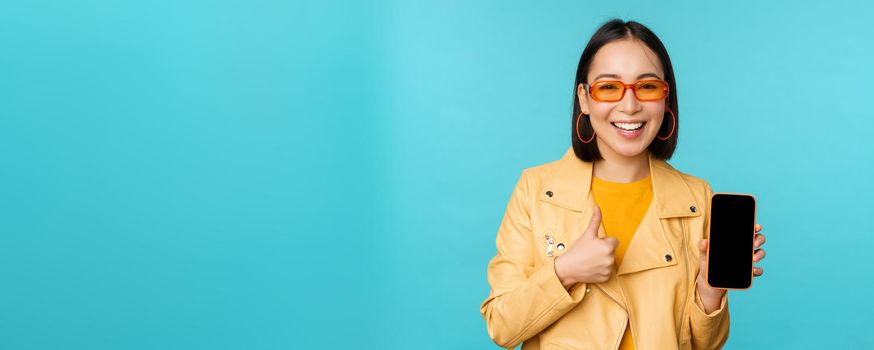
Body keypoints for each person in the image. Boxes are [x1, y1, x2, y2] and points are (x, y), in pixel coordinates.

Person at [480, 19, 767, 350]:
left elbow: (706, 344)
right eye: (608, 87)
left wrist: (709, 289)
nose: (629, 105)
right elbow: (501, 326)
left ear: (666, 98)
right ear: (584, 99)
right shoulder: (536, 190)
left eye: (647, 87)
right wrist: (565, 271)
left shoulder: (697, 198)